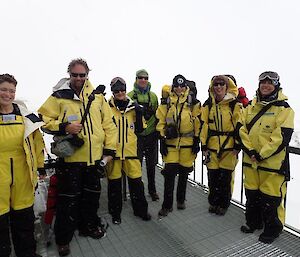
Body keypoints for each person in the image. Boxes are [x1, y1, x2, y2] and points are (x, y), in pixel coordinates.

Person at [38, 58, 117, 256]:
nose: (79, 78)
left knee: (91, 197)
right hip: (71, 160)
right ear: (69, 75)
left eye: (83, 75)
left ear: (87, 75)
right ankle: (63, 238)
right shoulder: (58, 96)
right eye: (75, 75)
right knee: (67, 201)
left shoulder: (97, 97)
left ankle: (87, 226)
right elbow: (43, 119)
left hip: (94, 159)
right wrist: (65, 126)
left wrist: (109, 150)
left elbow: (109, 124)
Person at [237, 71, 294, 244]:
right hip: (251, 163)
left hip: (272, 166)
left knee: (272, 198)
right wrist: (250, 151)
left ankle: (273, 229)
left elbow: (281, 136)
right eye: (263, 82)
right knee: (252, 195)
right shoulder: (249, 108)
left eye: (270, 82)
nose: (266, 85)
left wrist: (261, 154)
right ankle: (253, 222)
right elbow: (240, 129)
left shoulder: (284, 109)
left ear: (276, 85)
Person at [0, 74, 45, 257]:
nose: (8, 94)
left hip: (23, 175)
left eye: (12, 90)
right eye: (3, 89)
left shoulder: (25, 115)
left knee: (24, 222)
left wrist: (41, 167)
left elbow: (38, 143)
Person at [106, 77, 151, 224]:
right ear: (112, 91)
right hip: (114, 153)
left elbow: (140, 129)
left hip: (131, 152)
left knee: (137, 183)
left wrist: (139, 114)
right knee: (114, 185)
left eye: (122, 90)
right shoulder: (106, 108)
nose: (120, 93)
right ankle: (115, 213)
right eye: (116, 90)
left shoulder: (133, 107)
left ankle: (141, 210)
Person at [156, 74, 201, 217]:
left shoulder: (193, 102)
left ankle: (181, 200)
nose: (179, 89)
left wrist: (196, 140)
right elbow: (161, 120)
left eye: (182, 86)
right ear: (173, 87)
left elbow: (198, 121)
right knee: (169, 174)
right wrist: (162, 137)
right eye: (177, 86)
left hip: (188, 144)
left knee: (183, 174)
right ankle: (166, 205)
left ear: (186, 87)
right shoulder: (166, 102)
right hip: (171, 143)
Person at [200, 75, 243, 215]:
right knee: (212, 177)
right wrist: (204, 146)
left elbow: (239, 125)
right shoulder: (208, 105)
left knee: (225, 178)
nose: (218, 87)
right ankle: (213, 202)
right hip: (212, 147)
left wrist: (238, 146)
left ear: (226, 87)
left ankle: (223, 205)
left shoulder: (234, 104)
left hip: (229, 148)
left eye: (221, 84)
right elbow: (203, 125)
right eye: (216, 84)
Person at [127, 69, 159, 201]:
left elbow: (158, 115)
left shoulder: (153, 96)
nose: (143, 80)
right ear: (136, 79)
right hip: (137, 136)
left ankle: (152, 191)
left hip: (151, 135)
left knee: (151, 166)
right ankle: (136, 193)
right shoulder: (129, 96)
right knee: (136, 166)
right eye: (140, 77)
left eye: (146, 78)